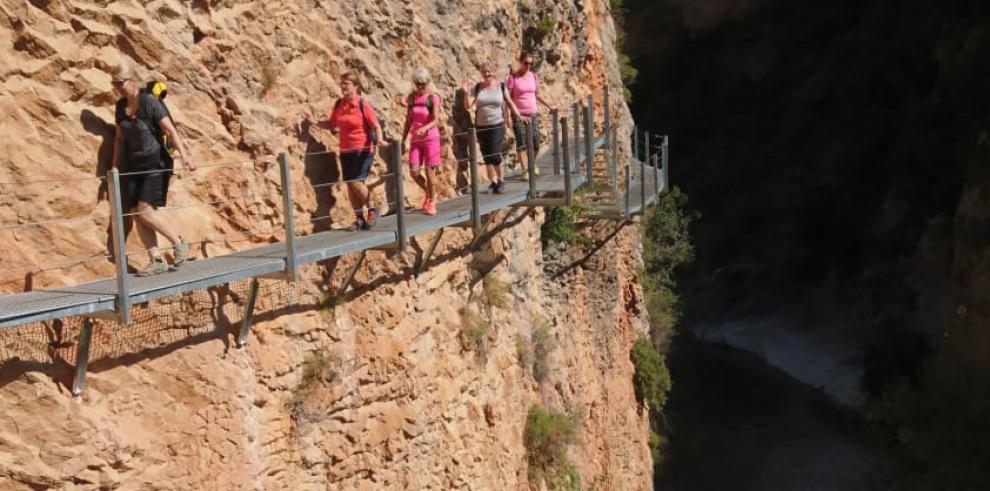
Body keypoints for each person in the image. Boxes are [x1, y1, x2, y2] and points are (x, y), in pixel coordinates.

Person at [111, 64, 198, 276]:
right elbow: (120, 139)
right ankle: (156, 259)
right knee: (135, 212)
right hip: (133, 165)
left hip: (155, 163)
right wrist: (114, 165)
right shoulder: (120, 107)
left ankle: (179, 242)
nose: (117, 87)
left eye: (120, 83)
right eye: (114, 84)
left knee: (145, 211)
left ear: (131, 81)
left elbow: (170, 129)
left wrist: (185, 156)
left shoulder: (149, 102)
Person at [304, 72, 385, 230]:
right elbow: (332, 123)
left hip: (363, 149)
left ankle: (373, 208)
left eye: (346, 83)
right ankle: (359, 218)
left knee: (355, 182)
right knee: (349, 184)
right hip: (346, 150)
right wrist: (315, 122)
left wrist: (380, 140)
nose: (343, 86)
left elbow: (375, 125)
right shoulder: (340, 104)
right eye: (342, 83)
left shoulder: (362, 104)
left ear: (356, 86)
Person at [461, 61, 513, 193]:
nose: (487, 74)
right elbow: (467, 105)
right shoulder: (478, 87)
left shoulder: (501, 86)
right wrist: (466, 92)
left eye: (489, 71)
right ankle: (493, 181)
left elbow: (509, 102)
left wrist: (511, 118)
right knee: (486, 155)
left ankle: (501, 179)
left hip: (497, 124)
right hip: (481, 126)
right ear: (481, 73)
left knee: (495, 154)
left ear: (494, 72)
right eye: (484, 72)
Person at [401, 68, 444, 216]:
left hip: (430, 139)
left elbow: (436, 119)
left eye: (423, 84)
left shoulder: (433, 98)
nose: (420, 87)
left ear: (428, 83)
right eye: (417, 84)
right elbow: (408, 120)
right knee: (413, 171)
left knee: (430, 173)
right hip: (416, 140)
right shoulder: (412, 98)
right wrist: (403, 139)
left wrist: (425, 128)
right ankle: (428, 192)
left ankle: (432, 201)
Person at [506, 51, 555, 179]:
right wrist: (507, 116)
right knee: (522, 143)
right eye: (526, 63)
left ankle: (531, 164)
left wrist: (550, 106)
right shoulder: (513, 78)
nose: (528, 66)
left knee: (536, 143)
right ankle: (525, 170)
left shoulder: (533, 76)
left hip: (533, 113)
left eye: (531, 63)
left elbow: (537, 94)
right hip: (519, 114)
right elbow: (508, 99)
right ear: (520, 62)